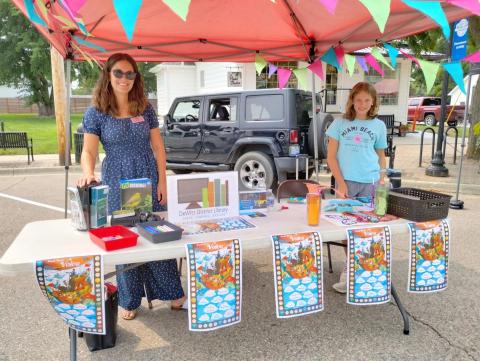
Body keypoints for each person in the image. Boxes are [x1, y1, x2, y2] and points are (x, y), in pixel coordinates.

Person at [77, 53, 186, 320]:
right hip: (116, 180)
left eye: (130, 74)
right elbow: (88, 151)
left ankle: (172, 292)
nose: (124, 79)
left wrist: (162, 179)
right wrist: (88, 174)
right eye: (118, 73)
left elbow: (158, 147)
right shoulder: (97, 112)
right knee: (125, 240)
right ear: (108, 75)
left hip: (147, 177)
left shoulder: (144, 108)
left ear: (135, 78)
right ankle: (129, 298)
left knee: (156, 234)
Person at [325, 82, 387, 293]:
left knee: (367, 227)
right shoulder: (339, 123)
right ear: (352, 100)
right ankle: (349, 272)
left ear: (373, 102)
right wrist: (341, 182)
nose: (362, 104)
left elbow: (380, 155)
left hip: (370, 182)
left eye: (367, 100)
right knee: (347, 228)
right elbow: (331, 157)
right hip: (346, 182)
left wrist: (381, 178)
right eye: (358, 99)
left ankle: (366, 269)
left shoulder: (379, 126)